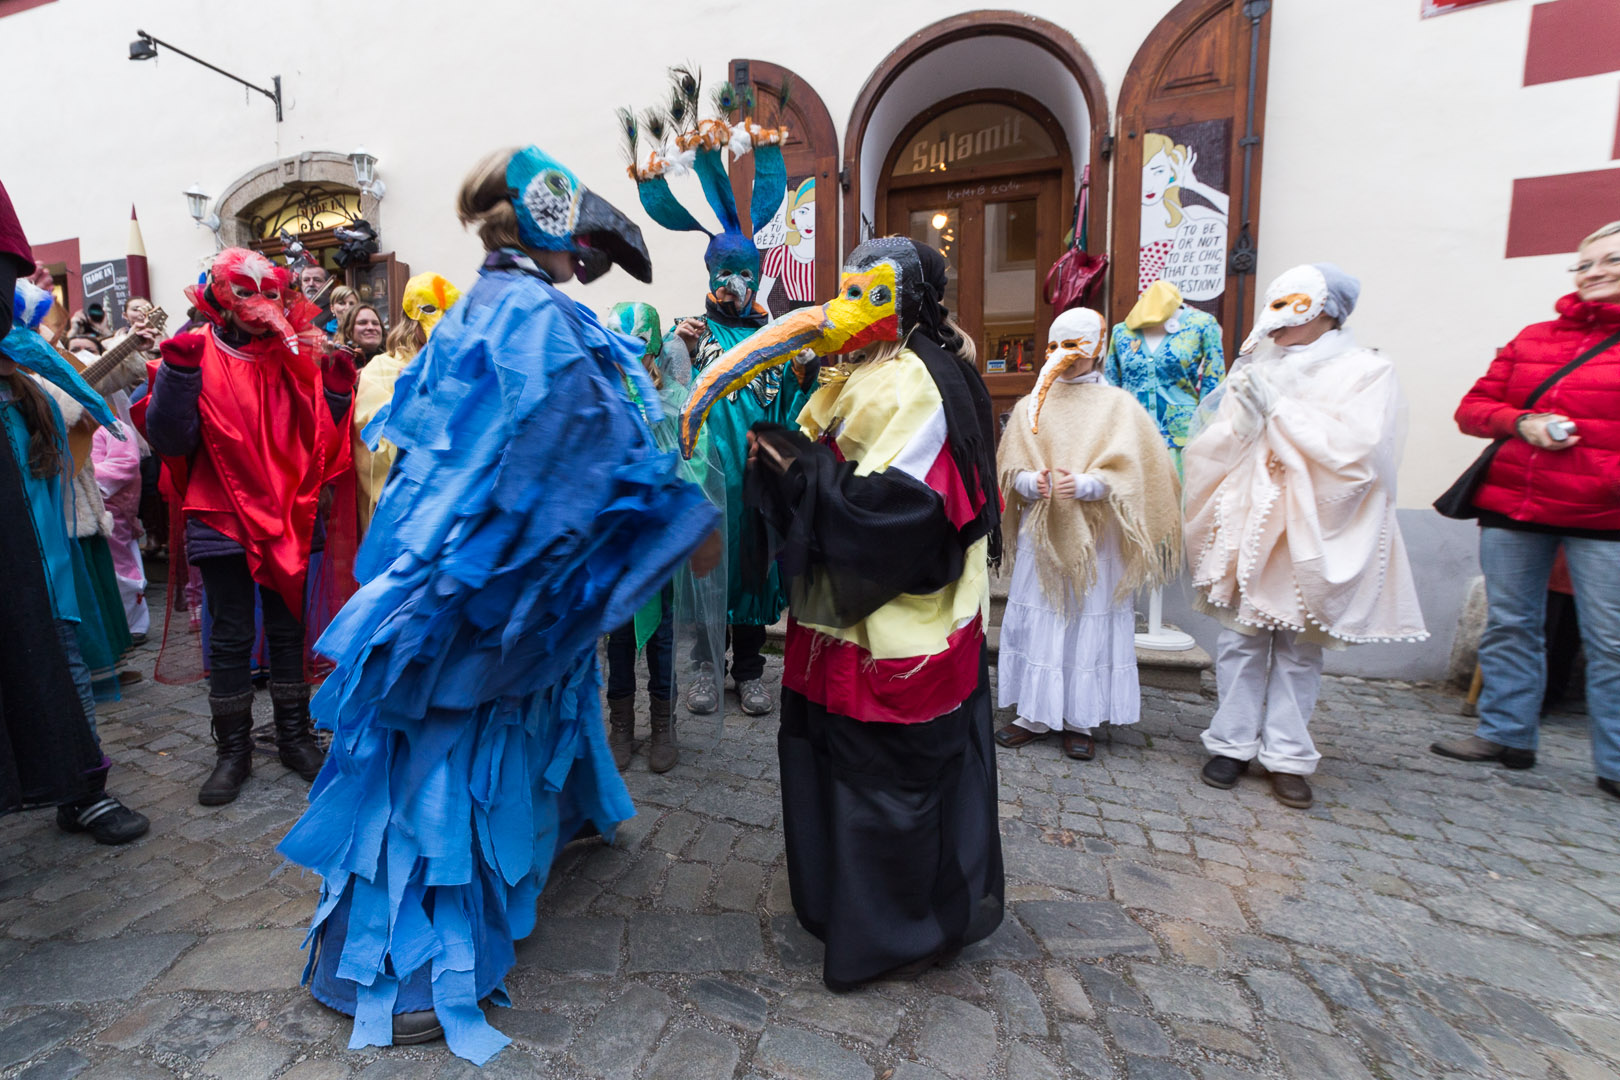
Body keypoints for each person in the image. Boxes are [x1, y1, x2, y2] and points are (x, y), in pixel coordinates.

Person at [277, 146, 719, 1062]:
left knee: (525, 710)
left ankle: (563, 828)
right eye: (583, 243)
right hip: (483, 588)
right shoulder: (540, 317)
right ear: (559, 238)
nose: (588, 261)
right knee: (447, 742)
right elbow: (587, 443)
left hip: (461, 572)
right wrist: (672, 504)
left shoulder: (482, 307)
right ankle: (404, 972)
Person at [686, 236, 1004, 991]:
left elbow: (897, 514)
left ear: (911, 302)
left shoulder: (920, 383)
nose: (848, 308)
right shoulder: (867, 371)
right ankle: (850, 907)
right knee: (846, 775)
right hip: (844, 630)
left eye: (871, 295)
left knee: (891, 788)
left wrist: (791, 469)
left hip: (897, 633)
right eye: (847, 290)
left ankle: (900, 932)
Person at [1183, 263, 1426, 810]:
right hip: (1255, 518)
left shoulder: (1366, 371)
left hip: (1313, 524)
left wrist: (1281, 411)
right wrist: (1244, 417)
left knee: (1298, 644)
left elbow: (1359, 449)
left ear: (1326, 312)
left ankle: (1287, 754)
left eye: (1291, 307)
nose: (1275, 323)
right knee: (1242, 638)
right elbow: (1223, 440)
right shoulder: (1256, 368)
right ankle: (1232, 742)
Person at [623, 69, 816, 718]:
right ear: (710, 274)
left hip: (759, 476)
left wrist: (806, 368)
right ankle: (705, 666)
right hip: (709, 477)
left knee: (754, 571)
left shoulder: (775, 334)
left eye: (742, 273)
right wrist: (674, 353)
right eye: (723, 272)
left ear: (756, 276)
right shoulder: (693, 332)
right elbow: (668, 397)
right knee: (712, 569)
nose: (733, 283)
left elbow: (795, 401)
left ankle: (750, 666)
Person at [145, 247, 356, 806]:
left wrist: (334, 393)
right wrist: (177, 375)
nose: (260, 305)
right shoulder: (200, 351)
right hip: (222, 514)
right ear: (218, 296)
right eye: (245, 291)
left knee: (289, 631)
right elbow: (169, 440)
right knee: (232, 634)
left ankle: (293, 738)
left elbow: (322, 445)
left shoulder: (295, 356)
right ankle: (232, 752)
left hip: (290, 511)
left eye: (270, 292)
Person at [1431, 221, 1620, 801]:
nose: (1594, 273)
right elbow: (1474, 408)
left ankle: (1614, 762)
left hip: (1607, 514)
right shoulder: (1536, 339)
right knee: (1512, 624)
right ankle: (1506, 733)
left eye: (1610, 261)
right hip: (1517, 503)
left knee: (1611, 640)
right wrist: (1521, 422)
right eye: (1584, 264)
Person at [994, 307, 1183, 761]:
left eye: (1075, 346)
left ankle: (1080, 717)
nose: (1065, 357)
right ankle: (1034, 714)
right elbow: (1009, 466)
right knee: (1042, 614)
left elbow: (1135, 474)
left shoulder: (1120, 407)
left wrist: (1084, 485)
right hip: (1043, 531)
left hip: (1096, 540)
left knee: (1086, 614)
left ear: (1097, 348)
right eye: (1056, 346)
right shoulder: (1033, 403)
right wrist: (1030, 483)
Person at [3, 268, 149, 844]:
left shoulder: (31, 399)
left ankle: (83, 789)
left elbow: (76, 430)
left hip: (45, 569)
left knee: (66, 671)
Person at [353, 273, 460, 533]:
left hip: (451, 503)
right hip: (405, 511)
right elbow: (372, 441)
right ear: (411, 319)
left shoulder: (459, 365)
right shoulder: (383, 368)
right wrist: (409, 399)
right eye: (434, 311)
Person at [1105, 279, 1226, 472]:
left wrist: (1207, 429)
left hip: (1183, 438)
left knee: (1177, 500)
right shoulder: (1122, 332)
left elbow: (1214, 381)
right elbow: (1111, 385)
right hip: (1133, 436)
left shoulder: (1201, 325)